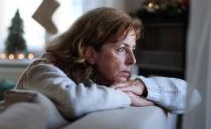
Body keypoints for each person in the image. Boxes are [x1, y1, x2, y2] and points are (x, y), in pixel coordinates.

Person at [15, 7, 200, 120]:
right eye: (121, 49)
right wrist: (130, 98)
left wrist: (141, 86)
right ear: (90, 54)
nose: (132, 60)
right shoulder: (42, 71)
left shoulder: (105, 79)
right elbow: (74, 102)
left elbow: (192, 96)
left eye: (132, 49)